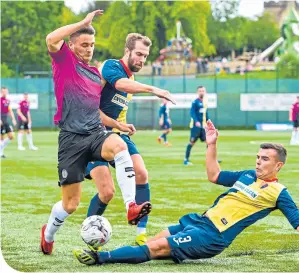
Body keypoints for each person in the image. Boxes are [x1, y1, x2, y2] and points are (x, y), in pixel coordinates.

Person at [73, 120, 299, 266]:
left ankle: (100, 258)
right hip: (199, 221)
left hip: (214, 237)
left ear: (278, 165)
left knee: (157, 247)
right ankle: (117, 254)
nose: (259, 162)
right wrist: (212, 145)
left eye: (265, 159)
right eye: (258, 157)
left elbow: (298, 219)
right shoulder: (247, 175)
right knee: (153, 240)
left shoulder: (278, 192)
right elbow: (214, 175)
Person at [40, 10, 154, 255]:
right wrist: (82, 23)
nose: (89, 49)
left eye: (92, 44)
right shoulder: (64, 62)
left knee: (120, 146)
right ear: (71, 45)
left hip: (95, 134)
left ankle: (131, 206)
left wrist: (119, 125)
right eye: (84, 44)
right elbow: (51, 38)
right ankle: (48, 234)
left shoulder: (95, 74)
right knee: (70, 204)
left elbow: (97, 110)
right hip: (71, 139)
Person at [85, 33, 175, 246]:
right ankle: (87, 230)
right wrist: (154, 89)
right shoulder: (111, 67)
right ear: (127, 51)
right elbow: (109, 94)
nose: (142, 60)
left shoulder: (132, 81)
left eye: (145, 56)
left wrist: (122, 126)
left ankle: (141, 234)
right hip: (90, 134)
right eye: (138, 54)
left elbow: (118, 111)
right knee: (106, 193)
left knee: (142, 173)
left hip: (114, 134)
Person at [184, 86, 209, 165]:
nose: (201, 92)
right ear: (197, 92)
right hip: (195, 127)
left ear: (205, 92)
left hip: (203, 127)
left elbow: (206, 114)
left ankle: (211, 159)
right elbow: (192, 113)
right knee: (192, 142)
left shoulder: (204, 102)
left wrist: (208, 123)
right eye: (200, 91)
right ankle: (186, 160)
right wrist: (196, 121)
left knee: (209, 142)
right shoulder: (195, 102)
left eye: (203, 91)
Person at [0, 86, 17, 158]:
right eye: (3, 91)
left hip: (5, 120)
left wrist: (13, 119)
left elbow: (9, 110)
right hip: (0, 120)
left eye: (6, 91)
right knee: (1, 138)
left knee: (11, 136)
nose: (4, 93)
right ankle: (1, 153)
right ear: (1, 92)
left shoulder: (7, 100)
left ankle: (0, 150)